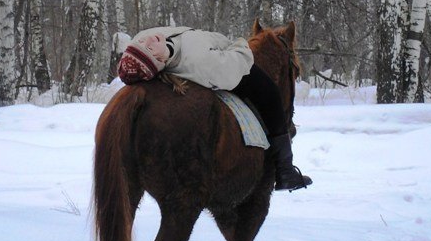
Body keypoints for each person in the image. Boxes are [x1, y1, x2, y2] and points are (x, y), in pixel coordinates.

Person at [117, 26, 312, 192]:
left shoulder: (152, 38)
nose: (149, 39)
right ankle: (285, 170)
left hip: (214, 49)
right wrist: (241, 45)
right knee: (269, 93)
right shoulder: (198, 63)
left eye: (141, 42)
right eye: (149, 48)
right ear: (160, 63)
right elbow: (234, 68)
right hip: (231, 60)